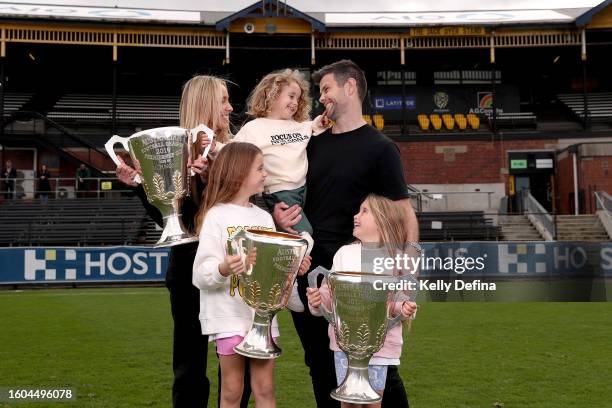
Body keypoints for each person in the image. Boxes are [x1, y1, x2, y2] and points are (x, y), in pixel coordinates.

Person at [272, 60, 419, 407]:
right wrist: (276, 213)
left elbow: (403, 212)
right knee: (320, 364)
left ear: (350, 87)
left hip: (359, 271)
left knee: (375, 362)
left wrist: (407, 272)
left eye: (326, 89)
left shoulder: (380, 148)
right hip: (307, 268)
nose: (321, 98)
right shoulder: (310, 144)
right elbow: (281, 186)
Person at [115, 74, 240, 408]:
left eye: (229, 100)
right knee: (189, 364)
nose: (230, 107)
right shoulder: (172, 150)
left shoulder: (236, 151)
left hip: (234, 267)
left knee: (238, 361)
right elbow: (170, 220)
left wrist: (214, 178)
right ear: (204, 103)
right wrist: (141, 184)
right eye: (223, 100)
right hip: (188, 270)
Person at [192, 142, 311, 408]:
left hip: (262, 319)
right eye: (260, 168)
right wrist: (224, 268)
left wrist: (293, 270)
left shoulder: (264, 218)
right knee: (232, 391)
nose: (265, 174)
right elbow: (200, 274)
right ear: (239, 173)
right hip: (228, 317)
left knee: (265, 389)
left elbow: (274, 274)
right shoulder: (216, 216)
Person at [306, 194, 420, 408]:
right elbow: (331, 295)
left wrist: (404, 308)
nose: (356, 215)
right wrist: (317, 300)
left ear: (383, 221)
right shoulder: (344, 253)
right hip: (344, 346)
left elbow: (395, 300)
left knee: (372, 403)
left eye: (364, 211)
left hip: (380, 348)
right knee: (347, 403)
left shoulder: (395, 258)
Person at [230, 68, 328, 311]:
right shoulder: (256, 128)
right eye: (289, 96)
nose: (295, 102)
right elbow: (232, 150)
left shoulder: (299, 127)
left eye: (298, 97)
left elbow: (314, 126)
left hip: (304, 190)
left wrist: (321, 122)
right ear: (272, 95)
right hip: (282, 193)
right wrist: (211, 147)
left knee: (296, 238)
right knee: (305, 236)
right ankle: (289, 284)